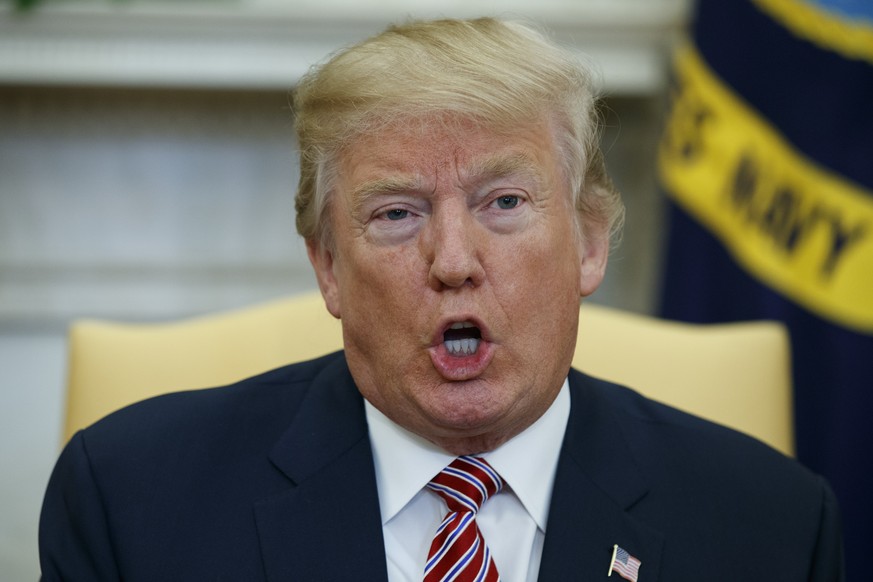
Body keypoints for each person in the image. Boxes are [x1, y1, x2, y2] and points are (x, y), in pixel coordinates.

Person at [39, 17, 843, 581]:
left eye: (504, 203)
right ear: (327, 267)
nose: (453, 262)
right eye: (396, 214)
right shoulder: (133, 502)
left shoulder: (767, 525)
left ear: (590, 242)